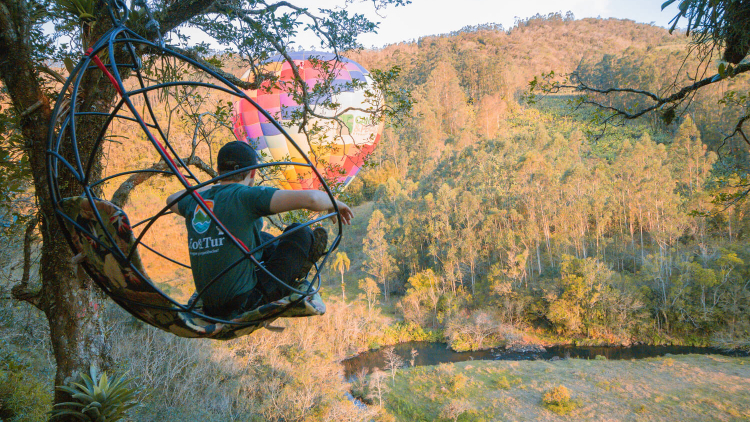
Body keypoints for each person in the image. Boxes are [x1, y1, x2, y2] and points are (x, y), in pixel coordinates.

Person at [166, 141, 353, 319]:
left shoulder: (194, 200)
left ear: (218, 171)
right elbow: (312, 199)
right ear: (253, 173)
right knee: (300, 232)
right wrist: (337, 203)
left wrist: (214, 188)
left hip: (209, 303)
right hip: (244, 303)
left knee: (260, 237)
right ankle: (294, 272)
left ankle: (285, 264)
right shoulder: (247, 196)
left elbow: (171, 199)